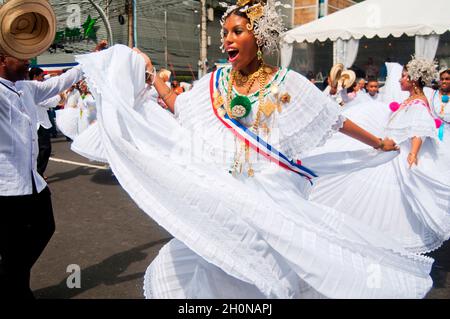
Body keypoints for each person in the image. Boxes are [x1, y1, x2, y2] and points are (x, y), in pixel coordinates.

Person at [75, 0, 434, 298]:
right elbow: (180, 106)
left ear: (258, 37)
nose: (227, 40)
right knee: (216, 254)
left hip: (271, 190)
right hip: (224, 188)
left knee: (275, 258)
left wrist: (378, 142)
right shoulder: (213, 81)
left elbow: (334, 120)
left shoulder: (285, 83)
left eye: (236, 32)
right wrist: (150, 73)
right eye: (225, 33)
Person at [308, 56, 450, 254]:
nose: (400, 80)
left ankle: (379, 240)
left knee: (382, 198)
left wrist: (414, 154)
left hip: (396, 154)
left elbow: (420, 129)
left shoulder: (418, 102)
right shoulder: (412, 99)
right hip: (389, 148)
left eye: (404, 76)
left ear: (414, 80)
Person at [0, 53, 83, 299]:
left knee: (44, 228)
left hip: (32, 182)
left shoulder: (26, 88)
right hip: (6, 189)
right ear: (3, 59)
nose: (29, 63)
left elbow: (59, 83)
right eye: (22, 58)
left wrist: (89, 62)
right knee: (13, 248)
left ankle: (10, 280)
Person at [28, 67, 66, 179]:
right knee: (44, 149)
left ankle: (36, 172)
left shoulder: (30, 85)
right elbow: (47, 102)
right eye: (41, 76)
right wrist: (60, 95)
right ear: (35, 76)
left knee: (38, 150)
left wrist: (50, 76)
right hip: (39, 124)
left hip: (38, 123)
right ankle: (37, 173)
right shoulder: (35, 88)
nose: (43, 79)